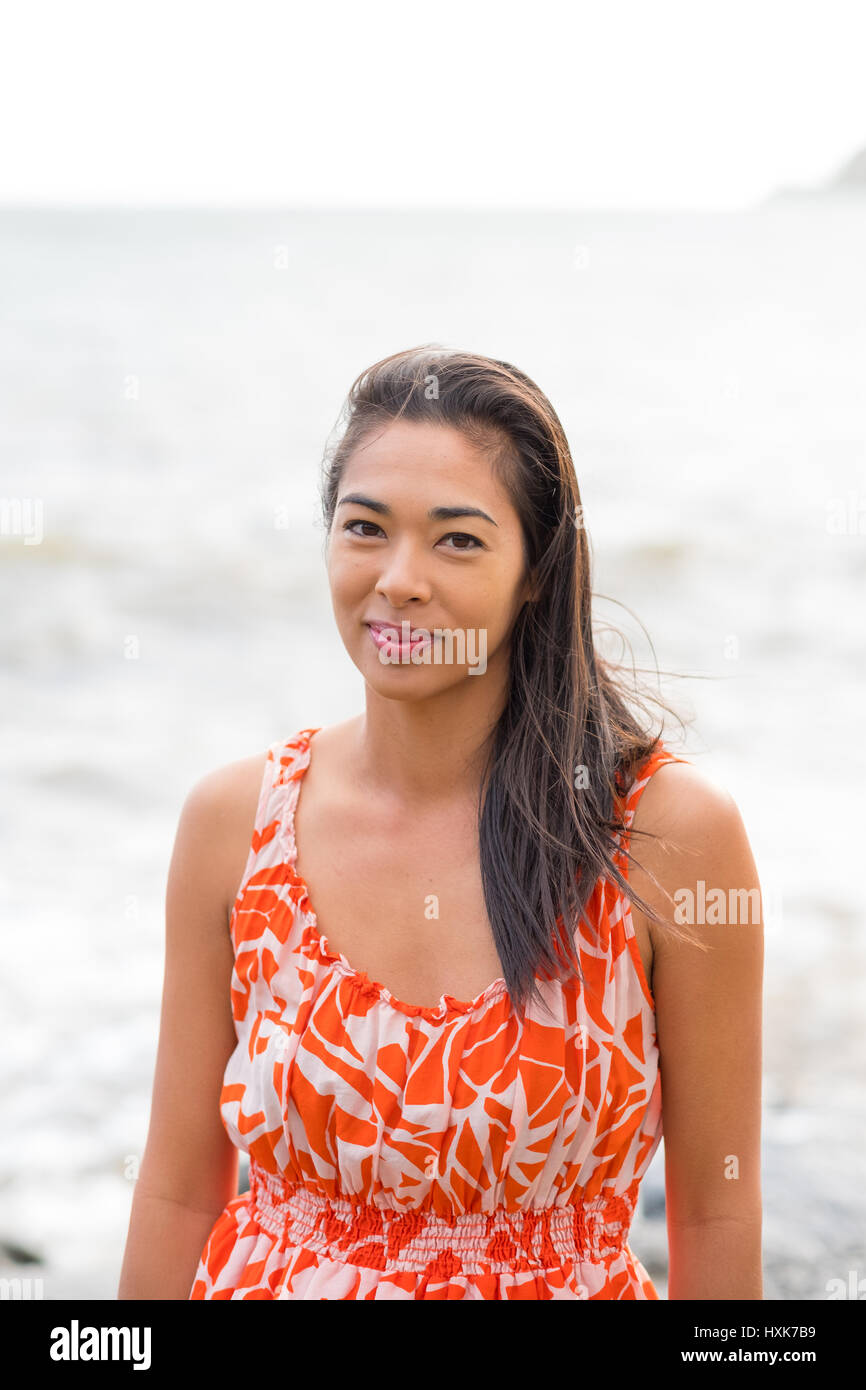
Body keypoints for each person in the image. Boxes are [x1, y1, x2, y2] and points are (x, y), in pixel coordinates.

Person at [118, 345, 764, 1300]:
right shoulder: (236, 823)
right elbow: (178, 1193)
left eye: (457, 540)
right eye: (365, 528)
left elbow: (716, 1210)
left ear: (536, 571)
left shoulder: (665, 836)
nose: (400, 580)